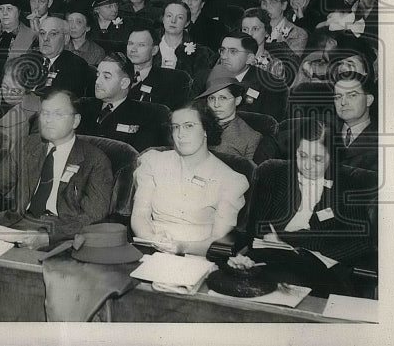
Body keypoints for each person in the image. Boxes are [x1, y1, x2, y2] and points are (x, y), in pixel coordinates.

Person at [0, 88, 114, 248]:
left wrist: (48, 236)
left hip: (63, 233)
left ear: (75, 121)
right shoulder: (27, 146)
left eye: (58, 114)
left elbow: (93, 215)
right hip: (18, 224)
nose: (48, 120)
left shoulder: (95, 160)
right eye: (45, 113)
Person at [240, 119, 376, 294]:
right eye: (302, 155)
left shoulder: (347, 184)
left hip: (321, 269)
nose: (308, 165)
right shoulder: (273, 174)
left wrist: (289, 238)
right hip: (272, 261)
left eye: (317, 159)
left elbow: (361, 242)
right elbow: (257, 231)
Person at [131, 99, 249, 256]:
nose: (180, 135)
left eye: (189, 126)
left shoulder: (230, 180)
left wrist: (181, 247)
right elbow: (139, 216)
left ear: (206, 129)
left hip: (196, 256)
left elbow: (218, 239)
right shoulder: (152, 162)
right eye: (176, 127)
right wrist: (151, 238)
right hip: (150, 249)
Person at [77, 52, 170, 151]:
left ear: (124, 83)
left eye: (106, 77)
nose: (97, 82)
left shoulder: (146, 115)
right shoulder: (82, 106)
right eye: (98, 75)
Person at [198, 77, 268, 162]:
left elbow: (248, 172)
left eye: (223, 98)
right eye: (211, 98)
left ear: (237, 100)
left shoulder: (250, 138)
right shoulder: (196, 123)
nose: (216, 104)